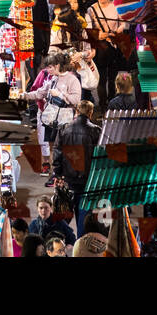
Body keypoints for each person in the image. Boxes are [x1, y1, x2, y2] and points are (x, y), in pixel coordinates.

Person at [56, 101, 102, 235]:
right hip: (88, 178)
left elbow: (58, 152)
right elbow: (99, 155)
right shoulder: (95, 130)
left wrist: (58, 173)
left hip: (70, 177)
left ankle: (77, 239)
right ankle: (81, 240)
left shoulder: (64, 129)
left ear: (77, 112)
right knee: (85, 209)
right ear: (90, 113)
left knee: (75, 206)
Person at [86, 0, 126, 106]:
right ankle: (103, 105)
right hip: (101, 47)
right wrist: (98, 36)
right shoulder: (91, 9)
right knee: (102, 78)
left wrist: (118, 30)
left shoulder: (116, 7)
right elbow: (88, 29)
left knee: (113, 76)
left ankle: (112, 101)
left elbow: (123, 23)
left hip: (114, 45)